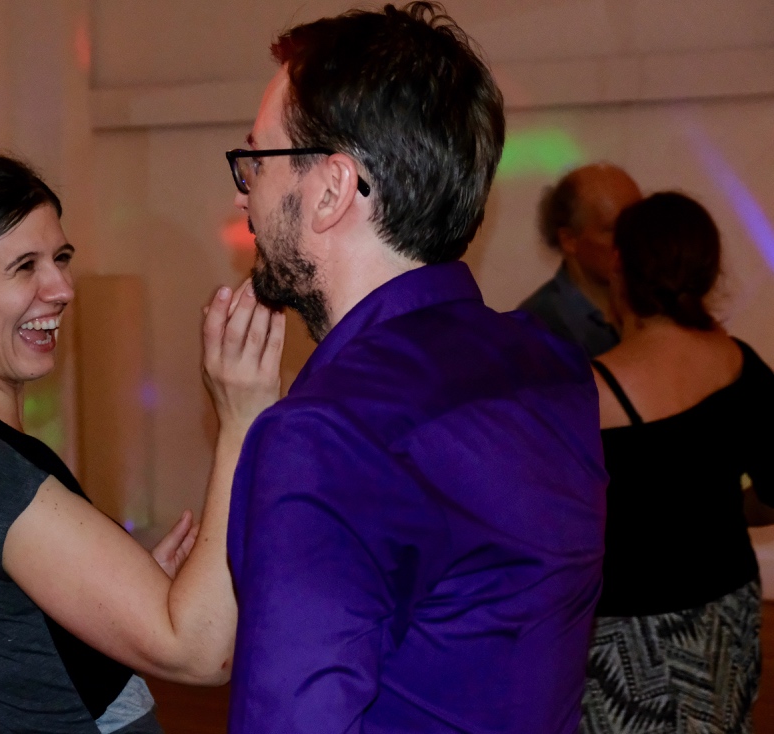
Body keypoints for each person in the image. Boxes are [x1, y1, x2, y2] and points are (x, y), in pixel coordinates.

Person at [222, 4, 608, 732]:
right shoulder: (548, 364)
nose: (244, 190)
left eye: (256, 159)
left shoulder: (326, 433)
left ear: (331, 189)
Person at [0, 153, 283, 734]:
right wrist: (243, 420)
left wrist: (109, 595)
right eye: (24, 267)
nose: (62, 289)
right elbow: (204, 653)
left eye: (60, 258)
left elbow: (3, 638)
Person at [580, 192, 774, 733]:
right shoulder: (738, 361)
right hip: (728, 613)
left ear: (619, 265)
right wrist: (724, 507)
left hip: (628, 635)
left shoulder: (590, 392)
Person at [519, 164, 642, 357]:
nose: (634, 239)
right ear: (569, 240)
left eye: (640, 225)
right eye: (614, 229)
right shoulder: (537, 327)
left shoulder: (656, 309)